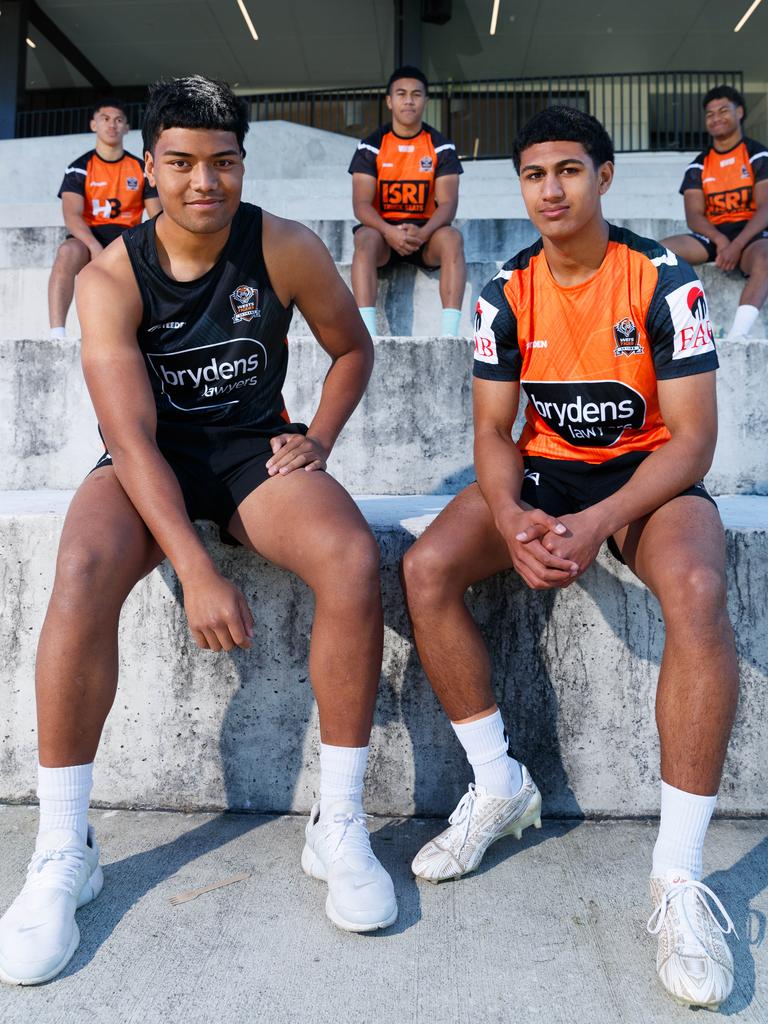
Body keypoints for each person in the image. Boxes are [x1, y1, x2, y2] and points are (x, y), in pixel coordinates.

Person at [0, 75, 397, 987]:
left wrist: (320, 436)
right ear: (148, 168)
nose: (203, 181)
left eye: (222, 162)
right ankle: (65, 848)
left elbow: (352, 347)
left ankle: (338, 821)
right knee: (85, 561)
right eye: (180, 162)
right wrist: (195, 567)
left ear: (242, 165)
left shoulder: (284, 246)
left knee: (347, 555)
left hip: (255, 452)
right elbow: (130, 437)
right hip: (156, 460)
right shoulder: (109, 276)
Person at [401, 106, 739, 1011]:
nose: (551, 190)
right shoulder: (506, 289)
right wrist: (511, 514)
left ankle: (676, 878)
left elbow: (695, 441)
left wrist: (599, 526)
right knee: (426, 568)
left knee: (701, 587)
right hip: (546, 474)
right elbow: (489, 428)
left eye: (568, 171)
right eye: (534, 175)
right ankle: (499, 785)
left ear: (604, 176)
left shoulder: (663, 278)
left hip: (647, 480)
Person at [348, 66, 466, 336]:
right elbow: (361, 205)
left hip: (425, 236)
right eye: (401, 94)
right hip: (383, 236)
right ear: (390, 101)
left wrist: (423, 233)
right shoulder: (372, 146)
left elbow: (448, 204)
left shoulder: (441, 146)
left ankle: (449, 335)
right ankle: (367, 334)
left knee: (452, 238)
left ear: (425, 100)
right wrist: (389, 231)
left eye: (416, 94)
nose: (409, 100)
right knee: (364, 238)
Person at [48, 98, 162, 340]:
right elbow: (71, 215)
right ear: (93, 125)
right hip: (90, 235)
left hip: (126, 236)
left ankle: (152, 330)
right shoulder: (79, 167)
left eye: (119, 120)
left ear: (126, 128)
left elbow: (157, 215)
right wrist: (93, 246)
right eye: (106, 119)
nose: (112, 125)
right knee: (67, 251)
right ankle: (57, 333)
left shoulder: (140, 168)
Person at [661, 85, 768, 340]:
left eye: (723, 111)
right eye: (710, 114)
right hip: (713, 235)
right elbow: (694, 216)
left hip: (751, 234)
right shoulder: (699, 164)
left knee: (766, 258)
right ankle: (670, 328)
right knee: (657, 254)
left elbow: (766, 207)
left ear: (739, 112)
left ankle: (737, 334)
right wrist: (721, 241)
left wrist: (737, 244)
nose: (716, 118)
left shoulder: (757, 154)